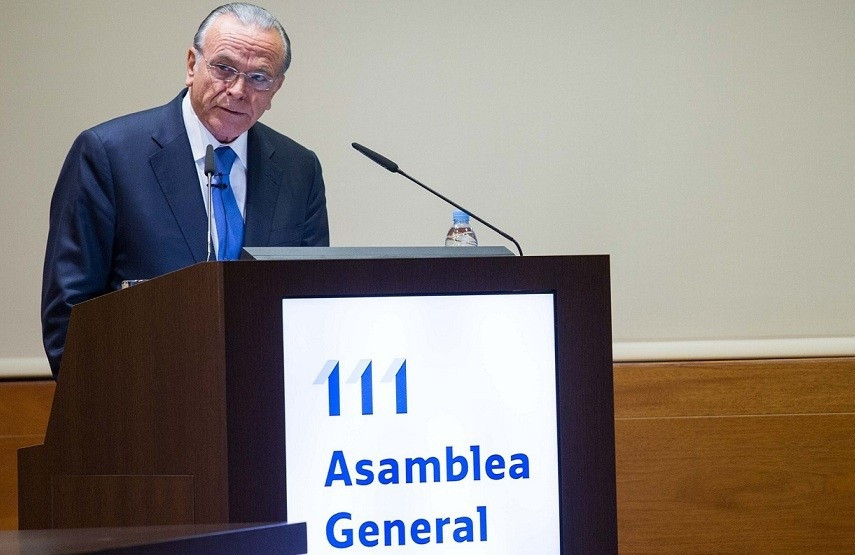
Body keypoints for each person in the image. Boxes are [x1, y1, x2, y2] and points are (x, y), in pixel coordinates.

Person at [41, 3, 329, 377]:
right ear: (193, 65)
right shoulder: (109, 154)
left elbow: (311, 304)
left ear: (276, 88)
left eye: (260, 77)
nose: (239, 90)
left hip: (260, 408)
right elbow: (68, 313)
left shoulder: (298, 169)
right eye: (224, 68)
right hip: (139, 408)